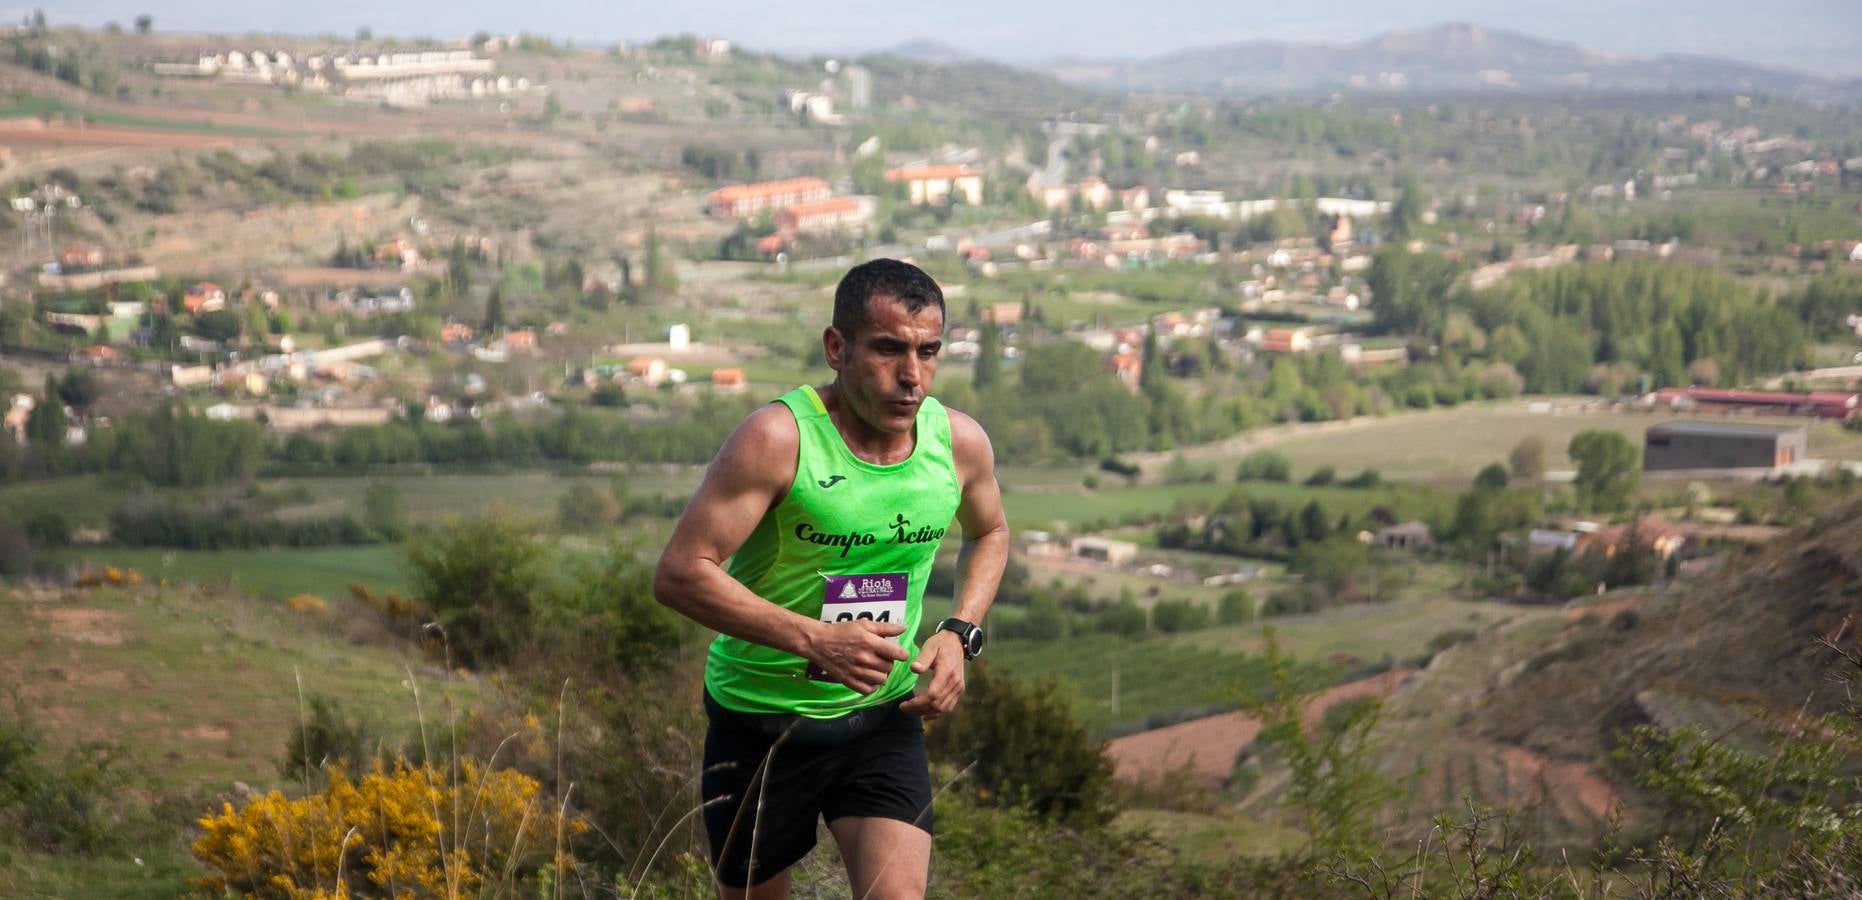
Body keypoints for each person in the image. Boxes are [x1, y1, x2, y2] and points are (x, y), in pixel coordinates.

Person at [653, 258, 1008, 899]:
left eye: (929, 352)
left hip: (882, 716)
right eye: (888, 350)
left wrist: (960, 632)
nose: (912, 377)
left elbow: (990, 532)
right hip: (760, 722)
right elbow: (681, 574)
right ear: (836, 347)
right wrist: (816, 640)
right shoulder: (776, 439)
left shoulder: (958, 443)